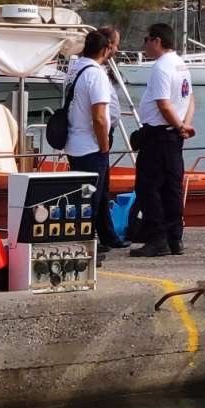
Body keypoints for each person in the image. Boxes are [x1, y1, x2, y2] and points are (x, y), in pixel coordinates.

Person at [63, 26, 128, 258]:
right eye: (113, 46)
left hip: (75, 142)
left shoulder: (74, 69)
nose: (115, 50)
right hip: (91, 145)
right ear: (105, 49)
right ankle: (86, 242)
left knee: (93, 195)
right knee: (91, 197)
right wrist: (104, 145)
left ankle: (104, 236)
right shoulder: (96, 74)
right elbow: (99, 117)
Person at [130, 21, 194, 258]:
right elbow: (190, 98)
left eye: (146, 40)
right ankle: (174, 237)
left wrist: (180, 126)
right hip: (173, 134)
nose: (144, 45)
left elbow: (163, 104)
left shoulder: (162, 67)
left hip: (159, 134)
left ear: (157, 40)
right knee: (171, 188)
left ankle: (158, 239)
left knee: (148, 187)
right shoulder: (181, 65)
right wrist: (184, 126)